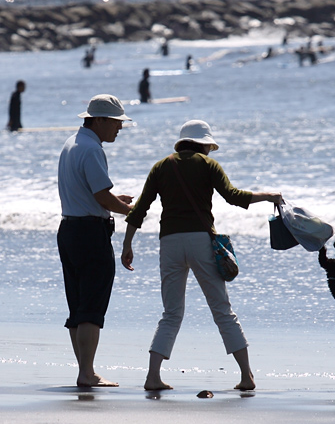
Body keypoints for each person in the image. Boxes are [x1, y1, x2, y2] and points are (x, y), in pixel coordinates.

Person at [121, 120, 282, 391]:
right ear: (204, 144)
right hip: (200, 240)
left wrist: (128, 244)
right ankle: (246, 376)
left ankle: (152, 376)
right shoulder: (208, 165)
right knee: (221, 309)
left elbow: (140, 209)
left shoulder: (161, 166)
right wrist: (268, 196)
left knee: (171, 312)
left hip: (169, 243)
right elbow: (232, 196)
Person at [57, 94, 135, 387]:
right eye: (116, 123)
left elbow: (91, 194)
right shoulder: (92, 150)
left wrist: (115, 202)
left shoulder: (72, 144)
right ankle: (86, 373)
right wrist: (129, 209)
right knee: (91, 306)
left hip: (69, 229)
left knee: (77, 307)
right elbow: (100, 196)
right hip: (90, 233)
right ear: (99, 120)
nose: (119, 129)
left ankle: (84, 370)